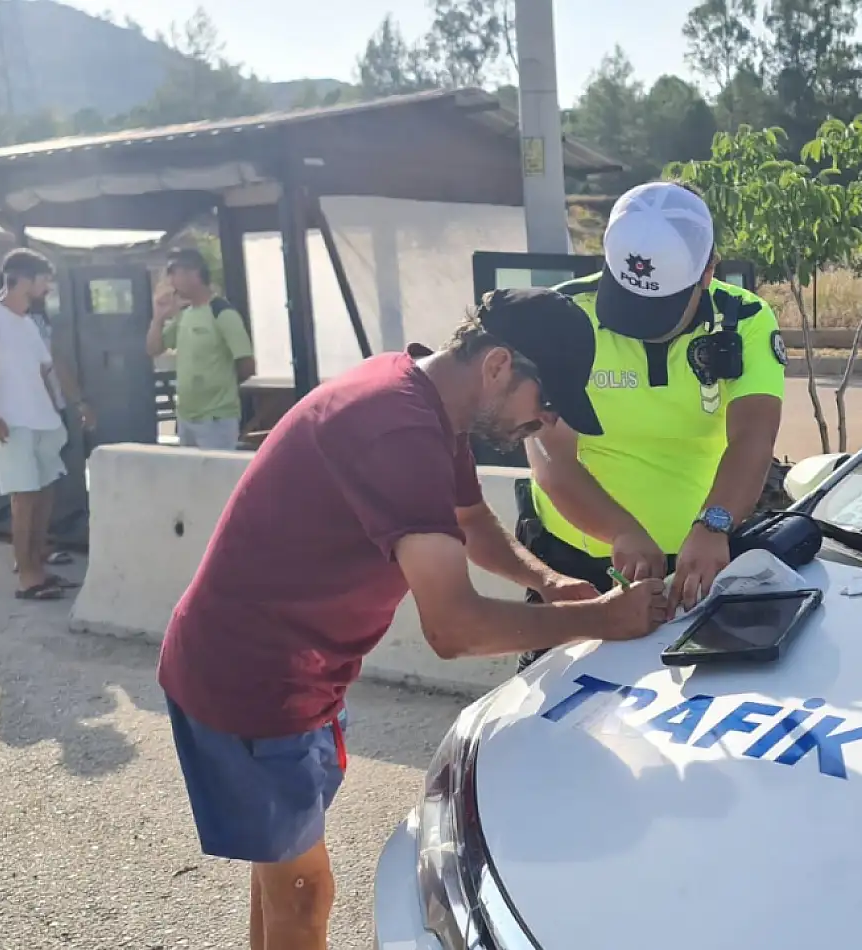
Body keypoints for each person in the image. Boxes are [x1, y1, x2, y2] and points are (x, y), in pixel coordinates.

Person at [157, 288, 670, 950]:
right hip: (254, 679)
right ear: (498, 366)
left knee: (282, 879)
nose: (545, 424)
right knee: (304, 892)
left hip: (298, 669)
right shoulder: (397, 428)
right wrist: (601, 619)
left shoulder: (425, 400)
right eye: (545, 404)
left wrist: (547, 583)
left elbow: (471, 523)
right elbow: (452, 629)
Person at [518, 180, 786, 668]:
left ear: (707, 271)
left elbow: (753, 435)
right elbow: (552, 460)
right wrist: (620, 530)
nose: (637, 324)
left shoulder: (743, 318)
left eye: (658, 306)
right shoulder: (557, 315)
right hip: (577, 567)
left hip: (699, 563)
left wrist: (715, 524)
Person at [0, 249, 81, 600]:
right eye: (44, 279)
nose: (47, 287)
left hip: (43, 420)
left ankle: (39, 567)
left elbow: (45, 371)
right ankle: (27, 577)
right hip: (12, 421)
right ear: (24, 279)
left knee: (45, 493)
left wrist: (62, 410)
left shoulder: (29, 322)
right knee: (24, 496)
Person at [146, 248, 255, 450]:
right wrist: (159, 317)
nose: (170, 281)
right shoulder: (184, 314)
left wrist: (221, 385)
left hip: (216, 418)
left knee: (217, 478)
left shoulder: (222, 312)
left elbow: (246, 363)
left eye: (173, 273)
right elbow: (153, 349)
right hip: (186, 417)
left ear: (193, 273)